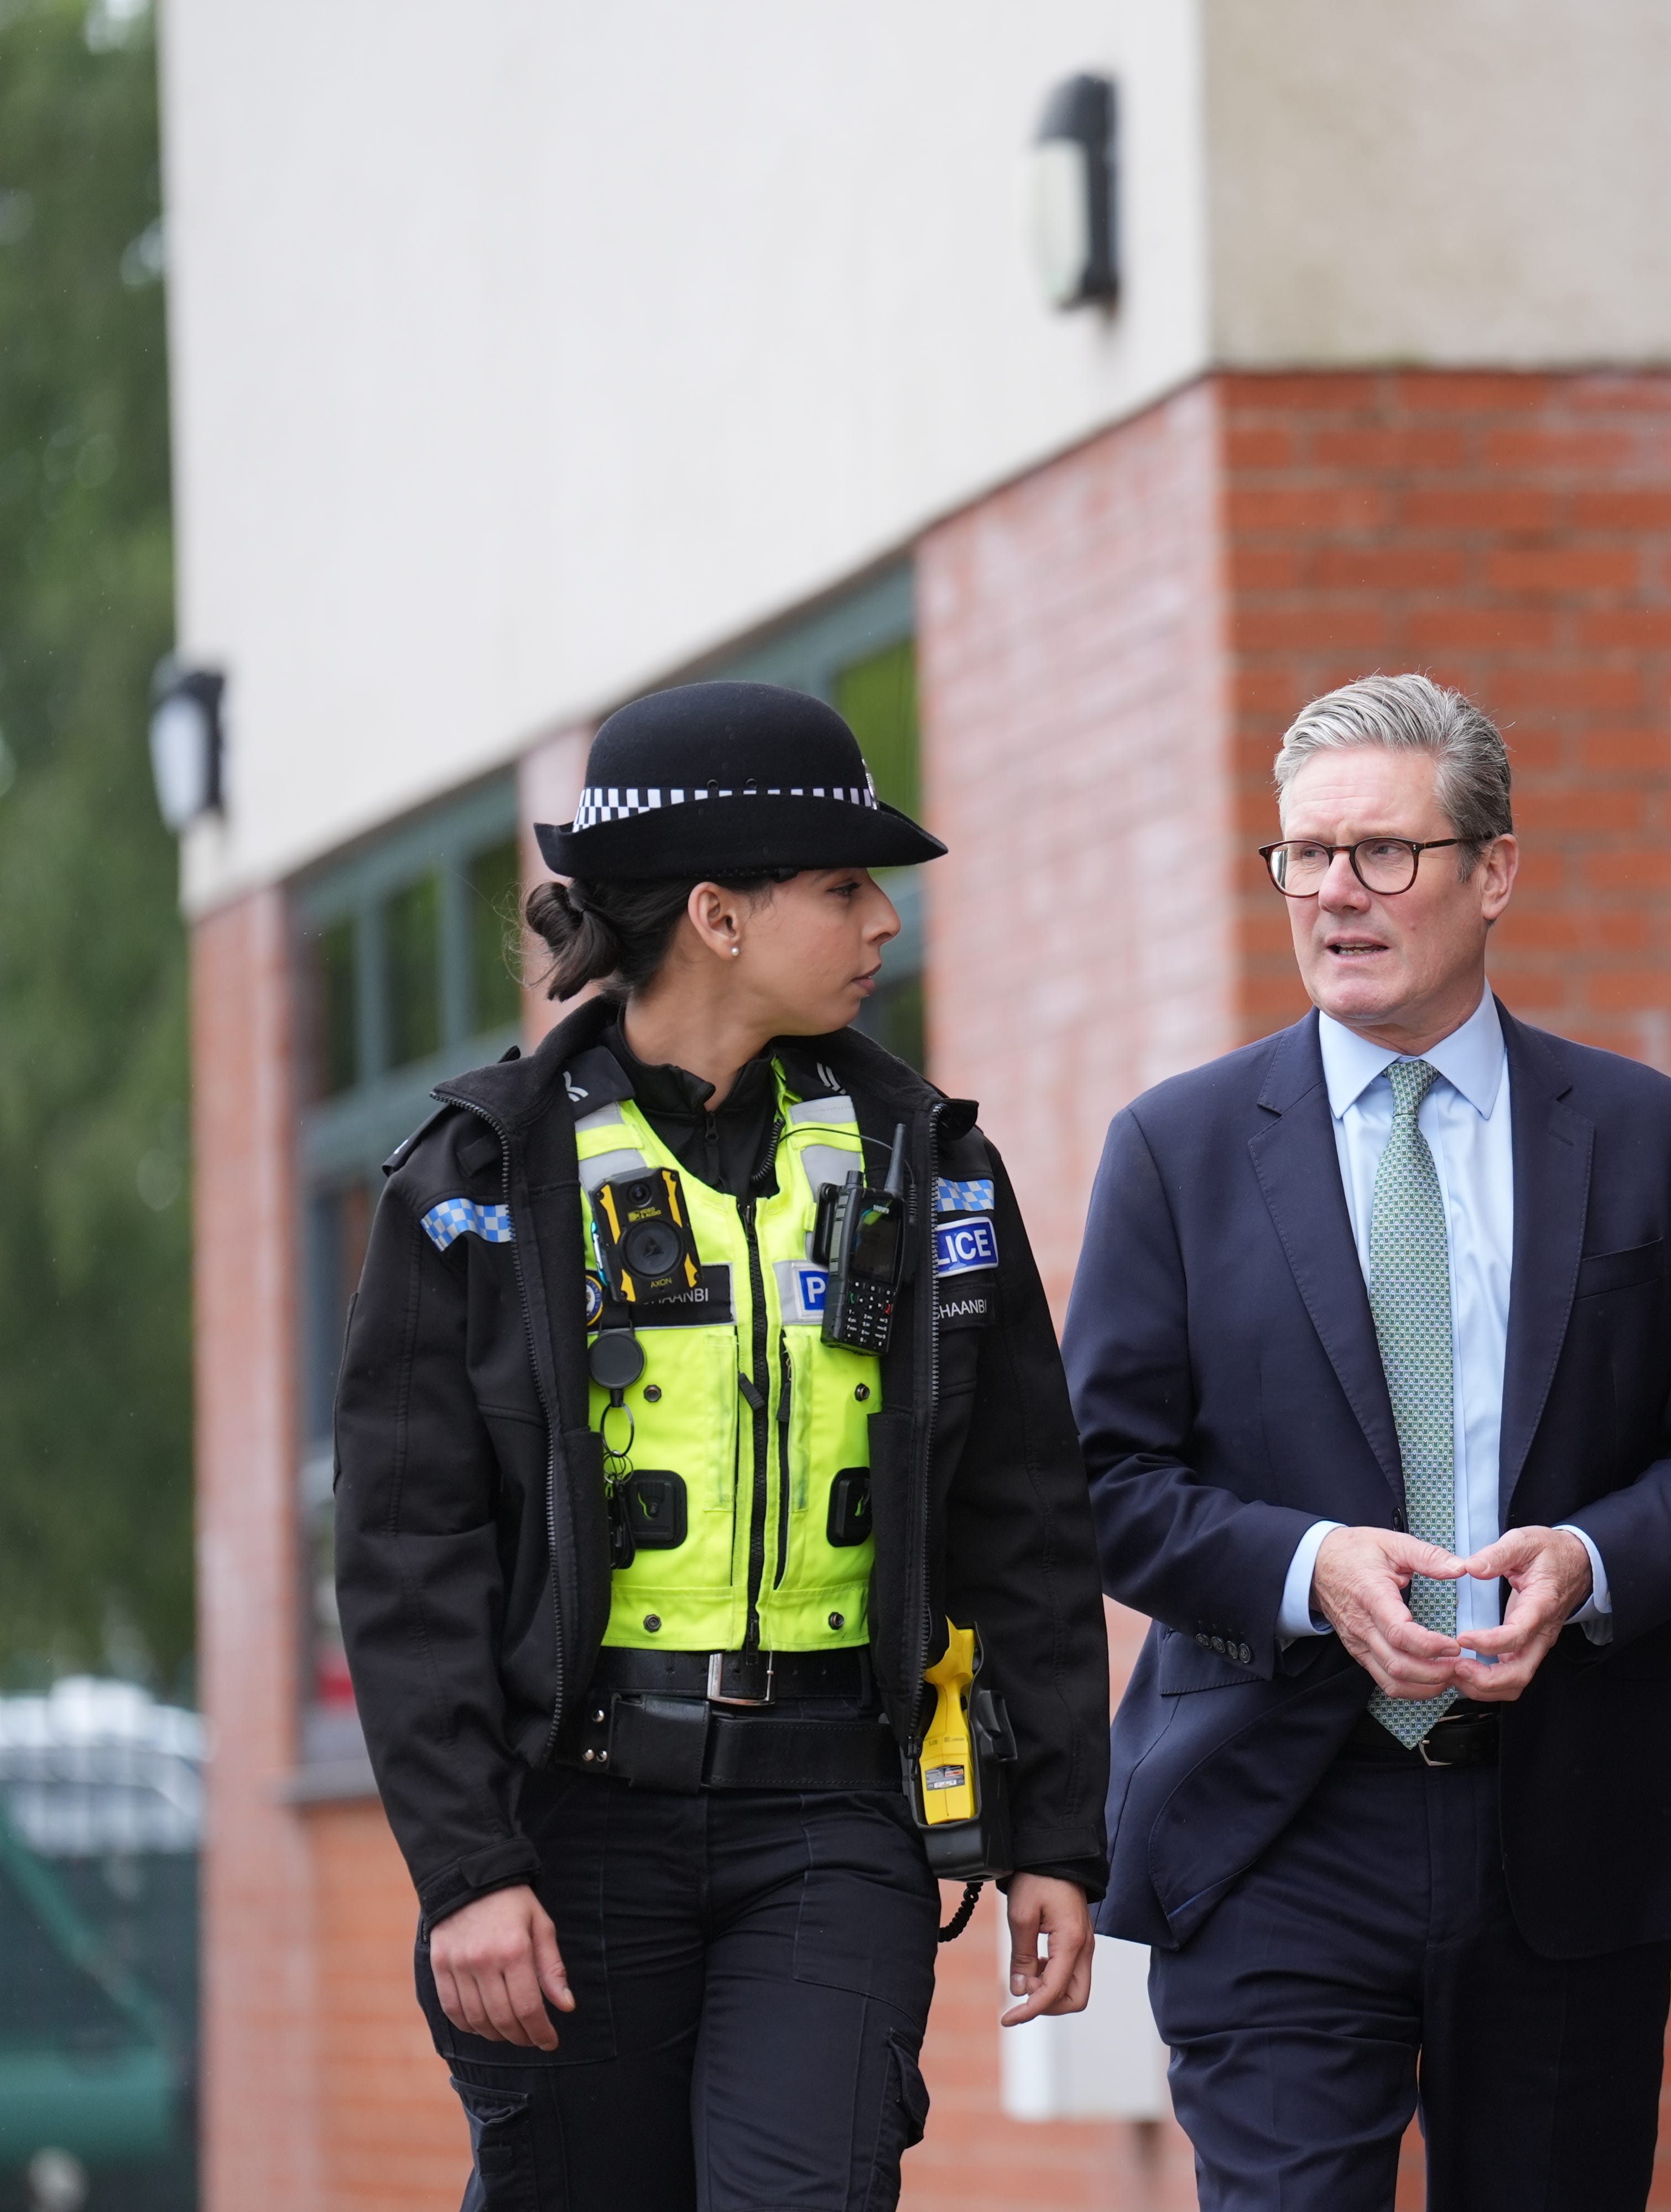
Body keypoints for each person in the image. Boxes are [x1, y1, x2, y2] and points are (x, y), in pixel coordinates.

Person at [333, 681, 1112, 2208]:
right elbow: (405, 1553)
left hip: (835, 1820)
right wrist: (467, 1870)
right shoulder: (474, 1182)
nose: (884, 922)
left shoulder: (933, 1169)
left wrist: (1059, 1838)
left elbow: (1024, 1517)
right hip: (570, 1831)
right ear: (718, 915)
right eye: (843, 887)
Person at [1069, 672, 1671, 2210]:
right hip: (1276, 1812)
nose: (1335, 894)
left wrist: (1593, 1561)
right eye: (1303, 857)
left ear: (1496, 871)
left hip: (1569, 1808)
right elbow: (1102, 1482)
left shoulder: (1641, 1133)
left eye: (1383, 854)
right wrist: (1311, 1567)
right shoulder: (1178, 1150)